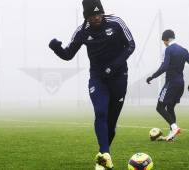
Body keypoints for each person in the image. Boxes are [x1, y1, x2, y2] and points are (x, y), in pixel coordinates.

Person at [48, 0, 135, 169]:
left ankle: (103, 156)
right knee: (100, 112)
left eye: (98, 14)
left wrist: (113, 66)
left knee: (111, 122)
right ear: (86, 17)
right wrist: (56, 48)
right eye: (91, 15)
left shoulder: (116, 23)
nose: (96, 18)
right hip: (97, 78)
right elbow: (68, 54)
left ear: (102, 12)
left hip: (119, 77)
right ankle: (105, 155)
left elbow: (131, 45)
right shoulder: (82, 31)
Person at [146, 29, 189, 141]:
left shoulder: (168, 50)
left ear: (167, 39)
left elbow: (164, 67)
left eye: (164, 41)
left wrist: (152, 76)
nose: (163, 43)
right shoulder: (183, 50)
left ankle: (174, 128)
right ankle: (171, 135)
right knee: (170, 108)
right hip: (180, 84)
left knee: (159, 107)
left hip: (171, 83)